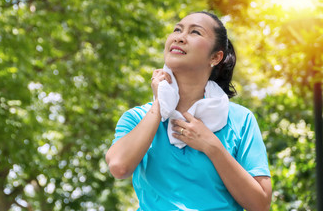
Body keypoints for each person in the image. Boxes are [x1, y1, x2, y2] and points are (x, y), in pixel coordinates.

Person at [105, 11, 272, 211]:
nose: (179, 37)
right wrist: (160, 103)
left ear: (216, 57)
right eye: (177, 29)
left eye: (195, 32)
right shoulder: (138, 117)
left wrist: (212, 146)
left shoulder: (240, 120)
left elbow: (260, 204)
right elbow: (119, 167)